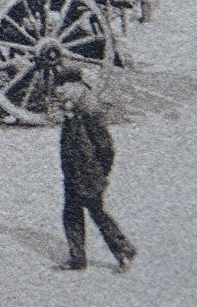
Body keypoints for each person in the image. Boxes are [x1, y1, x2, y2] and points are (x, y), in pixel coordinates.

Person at [51, 66, 136, 272]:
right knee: (71, 214)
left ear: (75, 85)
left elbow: (106, 148)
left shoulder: (89, 111)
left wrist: (100, 173)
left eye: (63, 86)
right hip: (74, 173)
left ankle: (124, 251)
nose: (59, 91)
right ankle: (78, 259)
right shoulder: (73, 108)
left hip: (88, 175)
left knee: (97, 214)